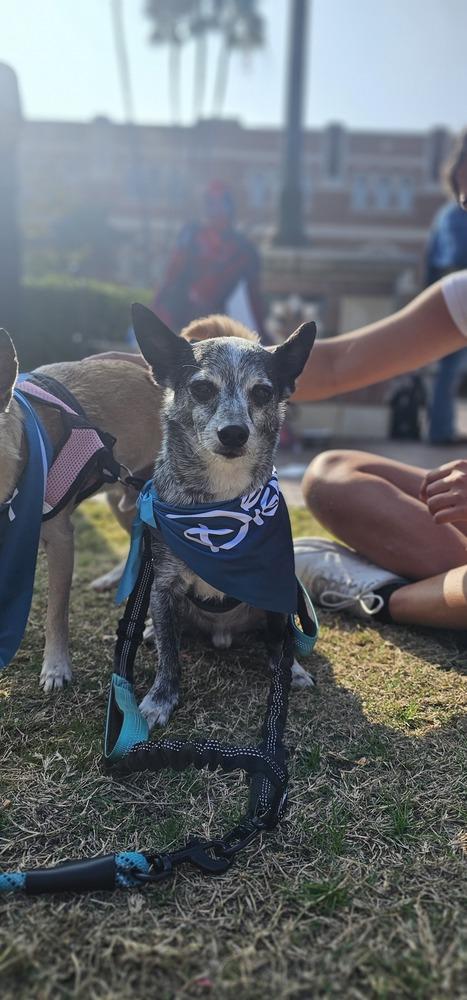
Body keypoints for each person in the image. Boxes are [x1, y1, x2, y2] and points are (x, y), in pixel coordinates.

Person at [151, 180, 268, 341]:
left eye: (220, 203)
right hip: (178, 315)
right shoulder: (192, 234)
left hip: (212, 325)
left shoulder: (244, 250)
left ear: (230, 208)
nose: (214, 210)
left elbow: (254, 299)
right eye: (210, 203)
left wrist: (263, 336)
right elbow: (172, 273)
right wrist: (155, 309)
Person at [424, 131, 467, 443]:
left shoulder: (447, 214)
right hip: (451, 302)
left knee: (447, 371)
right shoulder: (452, 216)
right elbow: (453, 259)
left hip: (446, 296)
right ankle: (439, 431)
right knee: (448, 369)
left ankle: (440, 430)